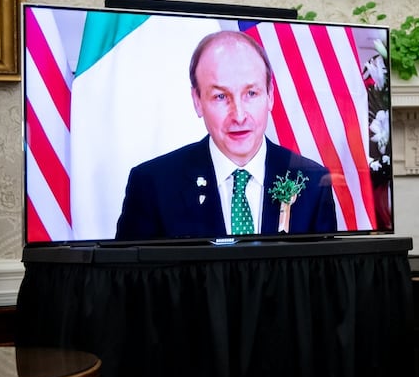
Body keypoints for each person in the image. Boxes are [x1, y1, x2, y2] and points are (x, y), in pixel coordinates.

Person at [114, 31, 337, 241]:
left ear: (270, 95)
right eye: (221, 96)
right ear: (197, 101)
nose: (239, 116)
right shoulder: (152, 185)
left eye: (251, 93)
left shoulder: (312, 183)